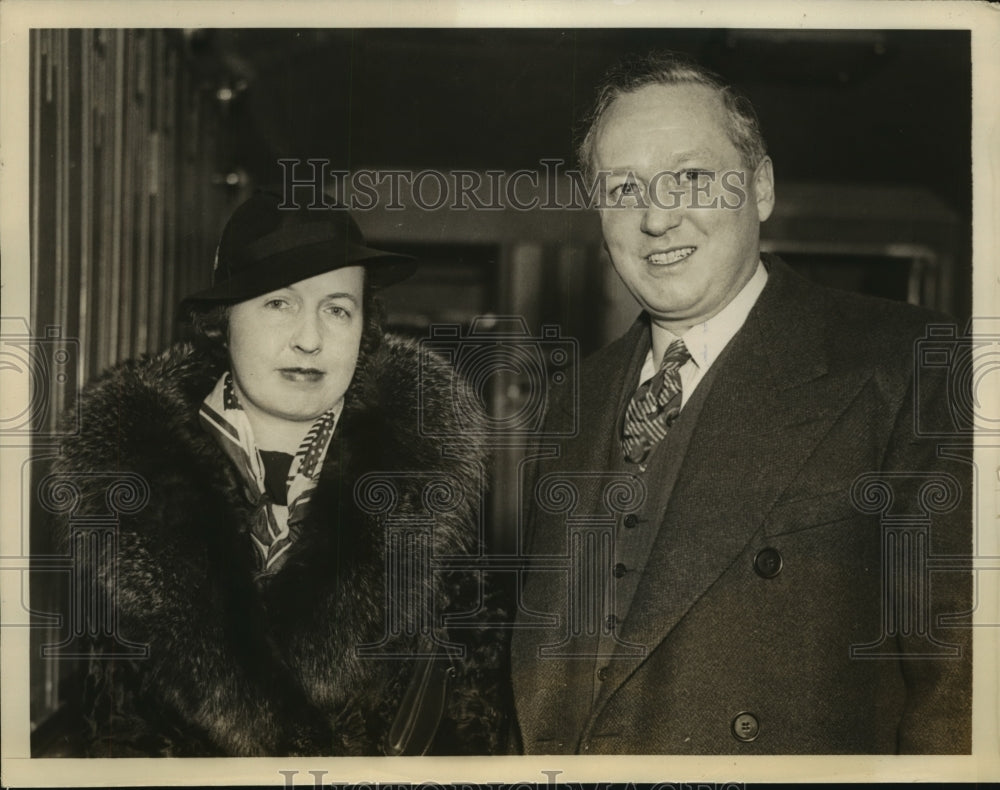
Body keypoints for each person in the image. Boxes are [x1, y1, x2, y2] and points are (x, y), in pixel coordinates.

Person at [510, 52, 972, 754]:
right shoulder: (574, 400)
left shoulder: (908, 363)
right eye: (624, 188)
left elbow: (959, 688)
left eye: (691, 177)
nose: (657, 218)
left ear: (759, 188)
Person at [47, 190, 504, 757]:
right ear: (222, 320)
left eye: (337, 308)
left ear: (365, 329)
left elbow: (475, 717)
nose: (309, 339)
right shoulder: (126, 490)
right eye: (278, 304)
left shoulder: (428, 482)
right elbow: (108, 730)